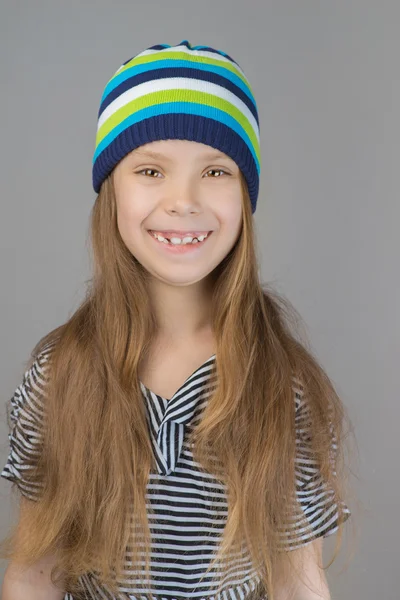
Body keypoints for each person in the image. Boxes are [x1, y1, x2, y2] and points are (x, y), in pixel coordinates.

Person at [0, 39, 353, 600]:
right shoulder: (58, 378)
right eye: (150, 170)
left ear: (246, 194)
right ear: (110, 191)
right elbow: (33, 571)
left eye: (215, 172)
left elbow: (296, 580)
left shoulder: (283, 386)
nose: (183, 200)